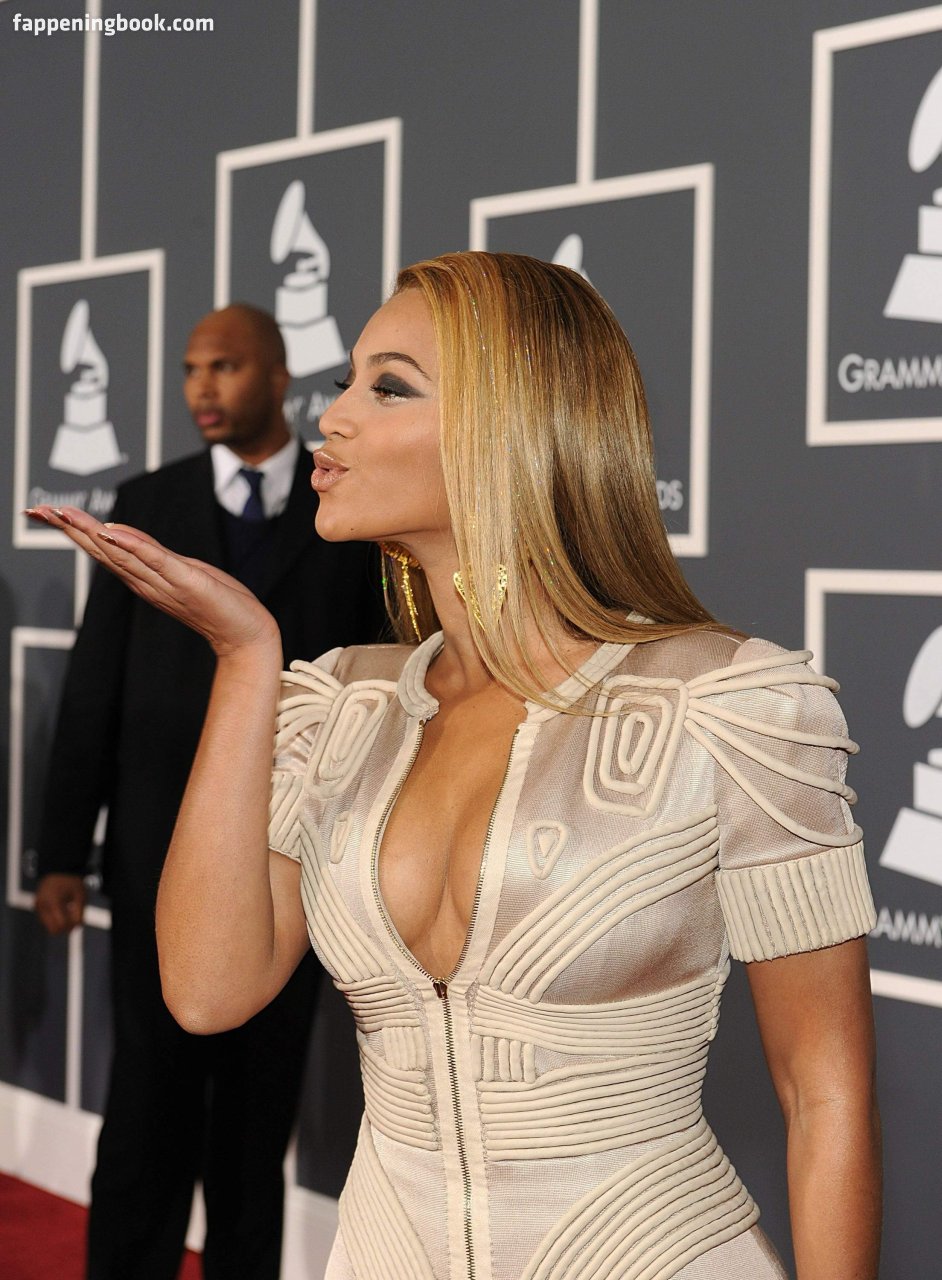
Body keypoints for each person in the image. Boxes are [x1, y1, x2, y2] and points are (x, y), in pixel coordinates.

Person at [27, 254, 882, 1280]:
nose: (333, 417)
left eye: (389, 386)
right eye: (345, 380)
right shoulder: (340, 708)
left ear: (509, 426)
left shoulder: (733, 708)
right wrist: (247, 662)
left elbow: (824, 1092)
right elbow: (209, 993)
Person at [32, 303, 384, 1280]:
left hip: (293, 864)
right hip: (156, 861)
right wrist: (61, 850)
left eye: (223, 366)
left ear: (277, 375)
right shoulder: (148, 501)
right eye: (191, 368)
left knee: (257, 1122)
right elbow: (94, 687)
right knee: (145, 1109)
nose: (201, 388)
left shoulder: (345, 505)